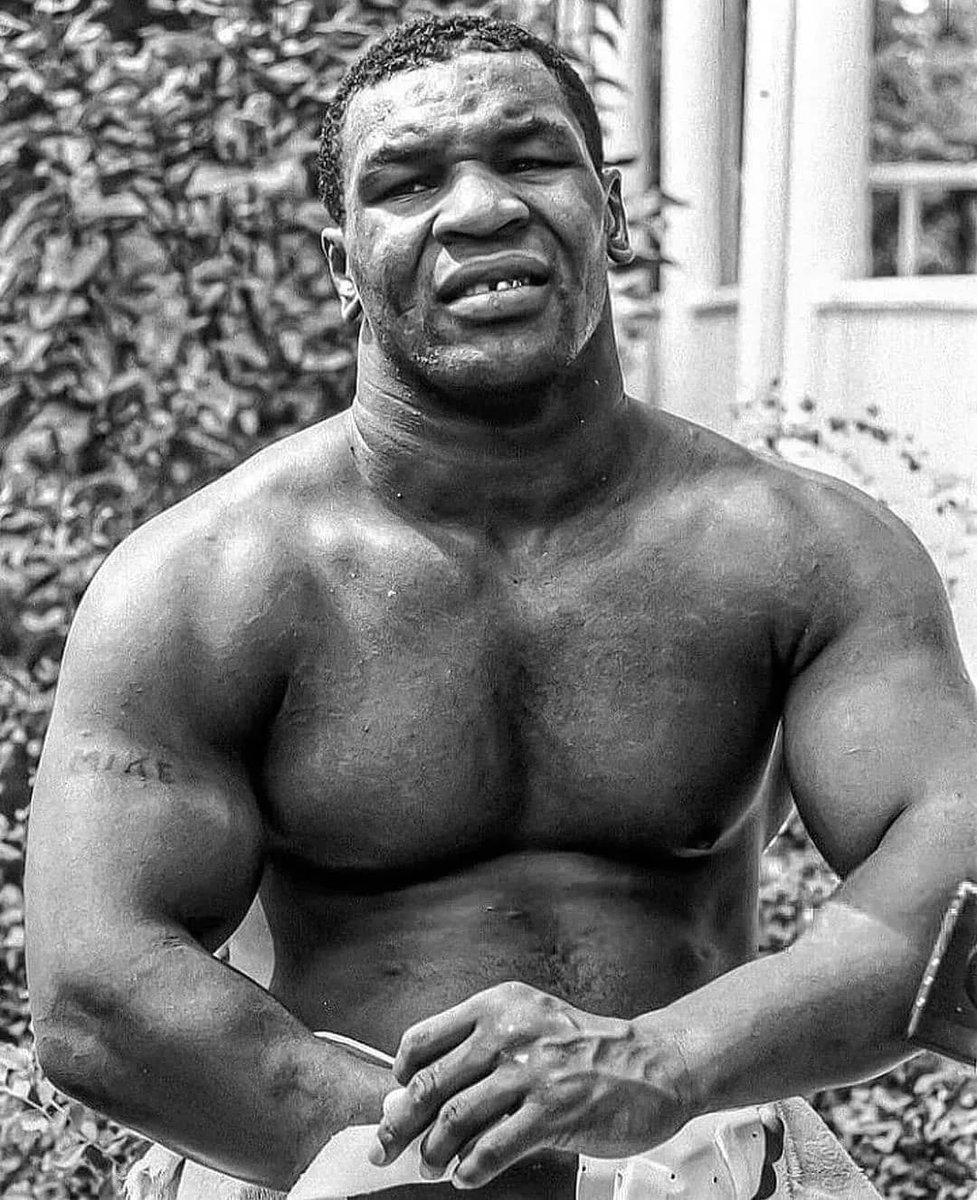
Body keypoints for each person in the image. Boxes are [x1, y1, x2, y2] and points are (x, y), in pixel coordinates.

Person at [24, 13, 976, 1200]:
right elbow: (97, 993)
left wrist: (662, 1063)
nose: (477, 208)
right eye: (408, 181)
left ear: (610, 212)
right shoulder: (203, 583)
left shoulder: (805, 551)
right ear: (341, 265)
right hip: (321, 1166)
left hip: (700, 1160)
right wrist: (472, 1156)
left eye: (527, 158)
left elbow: (958, 892)